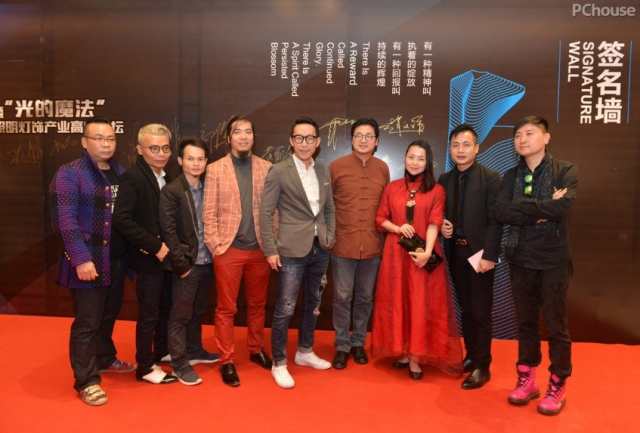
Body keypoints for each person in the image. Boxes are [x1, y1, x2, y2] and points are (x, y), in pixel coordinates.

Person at [495, 116, 577, 415]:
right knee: (525, 323)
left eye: (529, 133)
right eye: (517, 135)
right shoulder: (509, 176)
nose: (522, 139)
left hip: (553, 260)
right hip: (520, 258)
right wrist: (542, 209)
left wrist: (524, 208)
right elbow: (501, 212)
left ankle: (558, 383)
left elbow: (563, 207)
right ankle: (527, 379)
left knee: (556, 325)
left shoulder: (565, 170)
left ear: (546, 137)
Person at [50, 118, 135, 406]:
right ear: (84, 142)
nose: (106, 144)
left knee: (108, 314)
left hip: (116, 260)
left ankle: (105, 357)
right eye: (99, 138)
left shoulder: (120, 172)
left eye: (110, 138)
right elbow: (65, 221)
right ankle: (86, 380)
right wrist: (81, 258)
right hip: (89, 260)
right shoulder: (70, 173)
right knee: (87, 321)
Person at [372, 140, 462, 380]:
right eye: (411, 157)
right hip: (395, 256)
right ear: (404, 158)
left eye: (420, 158)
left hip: (423, 255)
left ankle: (416, 357)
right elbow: (380, 219)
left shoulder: (436, 190)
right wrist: (398, 228)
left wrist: (427, 253)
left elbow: (435, 223)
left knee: (420, 303)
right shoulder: (392, 188)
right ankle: (402, 350)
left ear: (428, 162)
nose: (415, 162)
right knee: (399, 301)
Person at [260, 117, 335, 389]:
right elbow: (265, 212)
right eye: (299, 138)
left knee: (313, 304)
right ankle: (279, 362)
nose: (305, 143)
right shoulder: (279, 171)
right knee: (286, 307)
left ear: (317, 142)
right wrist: (270, 249)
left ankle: (305, 350)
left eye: (310, 138)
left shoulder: (323, 170)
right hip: (291, 249)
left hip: (320, 247)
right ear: (291, 141)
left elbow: (329, 208)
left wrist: (330, 236)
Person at [202, 116, 273, 387]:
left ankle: (256, 349)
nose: (243, 136)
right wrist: (216, 245)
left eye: (248, 132)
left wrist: (272, 243)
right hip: (228, 249)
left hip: (260, 250)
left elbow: (273, 210)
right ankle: (226, 359)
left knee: (257, 305)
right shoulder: (215, 169)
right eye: (238, 132)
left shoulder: (267, 168)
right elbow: (208, 211)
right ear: (229, 138)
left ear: (254, 137)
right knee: (226, 308)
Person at [438, 124, 501, 389]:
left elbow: (496, 221)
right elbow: (439, 214)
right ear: (450, 149)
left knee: (480, 311)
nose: (460, 150)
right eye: (456, 145)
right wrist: (442, 225)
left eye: (466, 145)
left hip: (480, 255)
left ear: (476, 148)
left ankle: (483, 365)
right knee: (465, 308)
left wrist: (490, 255)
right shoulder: (444, 180)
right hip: (456, 252)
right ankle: (472, 355)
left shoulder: (491, 178)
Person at [113, 123, 177, 384]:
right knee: (149, 313)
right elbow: (122, 219)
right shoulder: (133, 177)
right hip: (147, 257)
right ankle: (145, 366)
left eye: (165, 148)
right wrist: (155, 246)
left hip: (166, 257)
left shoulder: (166, 176)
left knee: (164, 307)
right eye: (154, 148)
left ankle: (160, 351)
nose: (161, 154)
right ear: (140, 149)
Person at [329, 118, 389, 369]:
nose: (363, 140)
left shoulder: (383, 168)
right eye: (358, 135)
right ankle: (342, 345)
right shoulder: (336, 167)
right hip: (343, 245)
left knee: (365, 297)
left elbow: (387, 207)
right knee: (342, 297)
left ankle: (358, 343)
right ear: (352, 139)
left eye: (369, 136)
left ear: (376, 141)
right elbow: (327, 205)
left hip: (373, 246)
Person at [159, 138, 220, 386]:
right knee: (180, 315)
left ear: (206, 162)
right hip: (187, 264)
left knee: (198, 310)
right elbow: (168, 232)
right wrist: (181, 265)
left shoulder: (209, 187)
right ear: (180, 161)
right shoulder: (172, 191)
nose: (196, 163)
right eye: (190, 158)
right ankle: (179, 363)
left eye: (200, 159)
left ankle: (195, 350)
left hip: (208, 261)